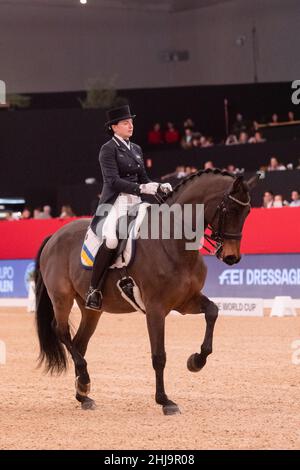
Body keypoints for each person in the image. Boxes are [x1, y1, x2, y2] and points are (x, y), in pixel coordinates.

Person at [86, 105, 172, 310]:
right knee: (113, 237)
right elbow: (113, 181)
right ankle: (94, 290)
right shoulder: (107, 149)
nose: (130, 125)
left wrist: (157, 186)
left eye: (131, 122)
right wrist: (142, 187)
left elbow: (144, 178)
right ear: (114, 127)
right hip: (115, 202)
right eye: (125, 123)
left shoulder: (136, 149)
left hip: (136, 201)